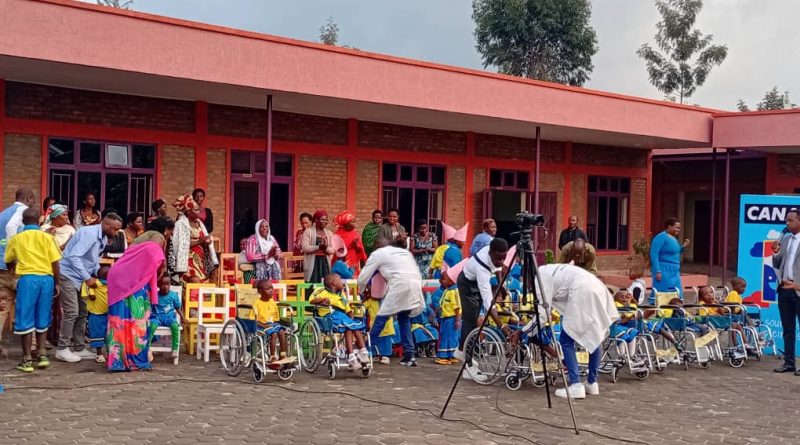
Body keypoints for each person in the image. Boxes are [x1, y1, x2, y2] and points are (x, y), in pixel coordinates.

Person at [532, 263, 619, 399]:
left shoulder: (540, 277)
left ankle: (576, 385)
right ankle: (592, 382)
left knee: (566, 339)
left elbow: (542, 315)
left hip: (583, 290)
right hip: (596, 287)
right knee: (595, 336)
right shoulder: (551, 269)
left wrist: (524, 331)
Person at [56, 213, 122, 363]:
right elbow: (73, 256)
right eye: (115, 229)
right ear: (106, 225)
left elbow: (93, 260)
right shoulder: (89, 234)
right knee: (71, 312)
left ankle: (79, 347)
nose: (116, 233)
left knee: (82, 312)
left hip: (80, 277)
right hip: (68, 274)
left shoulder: (103, 238)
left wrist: (99, 273)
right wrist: (87, 277)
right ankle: (62, 348)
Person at [4, 208, 62, 373]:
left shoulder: (16, 239)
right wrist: (57, 283)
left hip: (28, 279)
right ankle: (42, 355)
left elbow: (8, 260)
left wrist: (13, 267)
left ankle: (27, 359)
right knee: (43, 315)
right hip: (46, 279)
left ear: (23, 221)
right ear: (39, 221)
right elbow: (55, 263)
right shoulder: (48, 238)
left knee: (25, 317)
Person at [358, 236, 426, 367]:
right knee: (404, 319)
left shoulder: (378, 254)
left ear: (376, 247)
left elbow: (363, 277)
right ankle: (410, 355)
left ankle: (366, 350)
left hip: (399, 285)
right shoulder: (404, 253)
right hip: (415, 285)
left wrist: (361, 291)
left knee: (381, 319)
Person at [106, 234, 166, 371]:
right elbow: (158, 255)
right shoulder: (152, 246)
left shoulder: (133, 251)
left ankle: (119, 362)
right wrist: (162, 264)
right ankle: (134, 360)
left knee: (120, 322)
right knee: (135, 322)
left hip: (120, 281)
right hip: (134, 285)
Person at [455, 238, 512, 380]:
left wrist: (501, 285)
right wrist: (501, 326)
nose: (501, 261)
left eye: (504, 257)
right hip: (467, 285)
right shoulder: (483, 269)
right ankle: (467, 367)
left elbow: (498, 268)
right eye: (498, 258)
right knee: (471, 323)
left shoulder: (493, 249)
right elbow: (488, 303)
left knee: (474, 321)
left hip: (476, 284)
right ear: (490, 252)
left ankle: (461, 351)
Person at [0, 188, 36, 349]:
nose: (33, 204)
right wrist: (14, 256)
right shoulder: (22, 212)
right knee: (28, 306)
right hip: (16, 269)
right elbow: (11, 228)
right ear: (28, 198)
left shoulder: (3, 213)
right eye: (33, 200)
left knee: (2, 308)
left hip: (2, 268)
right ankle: (32, 348)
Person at [310, 274, 370, 370]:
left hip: (342, 318)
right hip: (329, 317)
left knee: (353, 326)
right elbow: (312, 300)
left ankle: (361, 353)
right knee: (350, 325)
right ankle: (353, 356)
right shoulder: (321, 291)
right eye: (340, 280)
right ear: (334, 282)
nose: (342, 283)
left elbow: (348, 310)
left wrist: (350, 316)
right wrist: (323, 299)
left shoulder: (341, 295)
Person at [771, 210, 800, 374]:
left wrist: (798, 286)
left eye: (790, 220)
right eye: (786, 220)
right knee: (788, 329)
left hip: (798, 289)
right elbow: (777, 263)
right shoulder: (786, 239)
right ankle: (789, 363)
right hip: (784, 289)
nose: (787, 223)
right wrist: (775, 252)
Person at [169, 194, 218, 284]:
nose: (199, 212)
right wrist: (200, 241)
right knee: (195, 281)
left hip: (200, 258)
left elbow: (202, 240)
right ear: (188, 212)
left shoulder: (198, 223)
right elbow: (181, 245)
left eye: (199, 209)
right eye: (196, 210)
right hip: (188, 259)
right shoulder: (181, 223)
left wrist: (206, 242)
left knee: (205, 282)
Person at [650, 217, 690, 299]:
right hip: (664, 269)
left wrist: (683, 247)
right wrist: (657, 270)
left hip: (675, 270)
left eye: (679, 228)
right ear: (669, 226)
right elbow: (654, 254)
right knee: (663, 293)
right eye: (676, 227)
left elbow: (675, 253)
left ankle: (676, 306)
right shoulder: (661, 237)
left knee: (677, 293)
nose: (678, 230)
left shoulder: (674, 239)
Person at [148, 275, 183, 363]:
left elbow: (178, 308)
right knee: (151, 327)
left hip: (169, 318)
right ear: (159, 285)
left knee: (175, 326)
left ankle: (174, 349)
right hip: (157, 317)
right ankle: (146, 348)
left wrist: (183, 318)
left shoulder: (173, 295)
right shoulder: (155, 295)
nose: (166, 286)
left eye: (168, 284)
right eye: (163, 284)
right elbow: (150, 308)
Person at [433, 266, 462, 365]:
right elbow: (442, 304)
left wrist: (457, 320)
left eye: (443, 279)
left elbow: (457, 307)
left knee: (447, 337)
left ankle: (444, 356)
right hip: (445, 318)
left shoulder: (454, 292)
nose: (441, 281)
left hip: (451, 319)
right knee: (448, 336)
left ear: (451, 280)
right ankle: (451, 355)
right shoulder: (447, 291)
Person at [610, 289, 646, 368]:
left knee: (633, 333)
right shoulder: (615, 306)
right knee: (623, 336)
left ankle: (631, 356)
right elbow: (620, 321)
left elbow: (636, 306)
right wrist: (628, 317)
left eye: (626, 297)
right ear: (616, 299)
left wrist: (632, 299)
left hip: (626, 327)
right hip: (616, 327)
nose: (624, 298)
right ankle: (623, 356)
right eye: (621, 297)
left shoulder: (629, 305)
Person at [82, 264, 110, 363]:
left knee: (108, 335)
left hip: (108, 314)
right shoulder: (94, 283)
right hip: (96, 314)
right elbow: (86, 285)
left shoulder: (112, 284)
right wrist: (91, 293)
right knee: (97, 334)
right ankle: (99, 354)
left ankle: (109, 354)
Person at [301, 210, 338, 283]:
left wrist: (326, 249)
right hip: (313, 263)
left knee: (325, 283)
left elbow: (333, 249)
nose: (325, 221)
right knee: (312, 284)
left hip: (325, 263)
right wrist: (318, 247)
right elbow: (305, 248)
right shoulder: (308, 232)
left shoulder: (329, 233)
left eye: (326, 220)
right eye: (322, 219)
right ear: (316, 220)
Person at [362, 285, 395, 364]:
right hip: (376, 326)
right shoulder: (371, 301)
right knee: (374, 340)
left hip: (385, 325)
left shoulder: (387, 300)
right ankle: (375, 355)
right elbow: (363, 307)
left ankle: (385, 356)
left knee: (385, 341)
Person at [243, 219, 282, 283]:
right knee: (261, 287)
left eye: (266, 226)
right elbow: (250, 257)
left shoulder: (272, 239)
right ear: (257, 228)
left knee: (274, 287)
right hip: (257, 268)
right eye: (262, 226)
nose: (265, 228)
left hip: (273, 268)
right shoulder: (252, 239)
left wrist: (276, 255)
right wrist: (267, 256)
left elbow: (279, 253)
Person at [334, 211, 367, 276]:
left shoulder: (355, 234)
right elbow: (336, 252)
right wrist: (350, 246)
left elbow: (360, 251)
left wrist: (356, 246)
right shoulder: (337, 235)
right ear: (346, 224)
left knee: (353, 278)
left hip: (354, 260)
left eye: (355, 222)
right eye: (352, 222)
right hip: (341, 262)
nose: (355, 224)